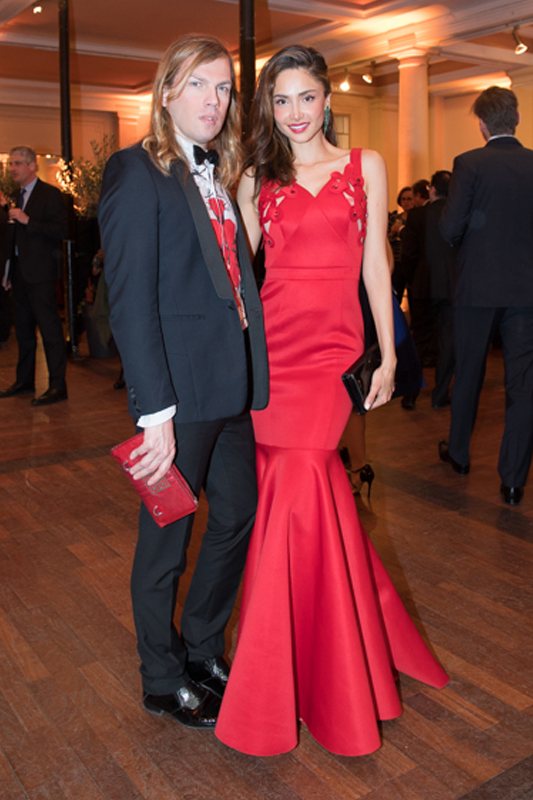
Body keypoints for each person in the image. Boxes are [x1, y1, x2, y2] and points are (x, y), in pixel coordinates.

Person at [215, 44, 448, 758]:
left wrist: (388, 352)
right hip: (273, 356)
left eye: (306, 97)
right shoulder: (257, 177)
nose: (295, 113)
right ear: (268, 107)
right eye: (280, 101)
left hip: (330, 357)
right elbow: (237, 274)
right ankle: (331, 650)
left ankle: (300, 670)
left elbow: (376, 263)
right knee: (298, 498)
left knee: (301, 481)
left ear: (326, 97)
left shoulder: (364, 166)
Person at [98, 35, 269, 729]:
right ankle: (161, 678)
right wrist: (154, 412)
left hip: (230, 386)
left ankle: (200, 648)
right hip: (178, 395)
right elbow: (130, 299)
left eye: (223, 87)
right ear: (166, 91)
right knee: (166, 540)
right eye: (198, 84)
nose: (213, 100)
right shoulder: (135, 170)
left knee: (236, 516)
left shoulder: (216, 173)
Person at [439, 86, 533, 506]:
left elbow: (449, 228)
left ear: (481, 123)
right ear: (516, 119)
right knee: (523, 384)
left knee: (469, 373)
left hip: (477, 287)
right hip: (527, 290)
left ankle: (459, 456)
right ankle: (513, 480)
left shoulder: (470, 163)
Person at [0, 146, 69, 405]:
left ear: (32, 166)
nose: (12, 168)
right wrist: (7, 271)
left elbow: (61, 229)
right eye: (11, 164)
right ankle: (25, 382)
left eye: (17, 163)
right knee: (24, 332)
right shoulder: (16, 196)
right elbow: (12, 238)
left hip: (40, 274)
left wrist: (28, 220)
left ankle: (57, 386)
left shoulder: (50, 194)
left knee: (50, 331)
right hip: (19, 273)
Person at [426, 170, 455, 409]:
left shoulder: (419, 215)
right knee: (448, 343)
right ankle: (440, 394)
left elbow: (410, 254)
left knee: (418, 341)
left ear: (432, 189)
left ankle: (408, 394)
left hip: (422, 287)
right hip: (452, 287)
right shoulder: (457, 214)